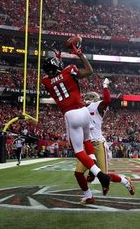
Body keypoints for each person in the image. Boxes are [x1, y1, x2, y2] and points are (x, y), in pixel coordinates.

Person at [41, 44, 110, 195]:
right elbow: (89, 71)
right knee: (87, 141)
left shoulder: (45, 82)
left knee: (79, 152)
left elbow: (53, 77)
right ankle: (93, 170)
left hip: (70, 115)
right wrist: (79, 54)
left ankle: (100, 175)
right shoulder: (68, 70)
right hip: (84, 111)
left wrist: (56, 60)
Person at [74, 78, 135, 204]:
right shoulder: (81, 109)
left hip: (97, 144)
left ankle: (125, 181)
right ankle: (89, 196)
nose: (87, 99)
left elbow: (107, 100)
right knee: (78, 173)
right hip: (86, 144)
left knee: (103, 175)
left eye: (90, 97)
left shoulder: (97, 107)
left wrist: (105, 86)